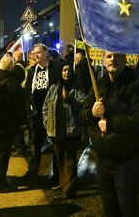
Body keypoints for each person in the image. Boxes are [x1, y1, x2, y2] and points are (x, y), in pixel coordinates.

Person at [83, 50, 139, 217]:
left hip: (126, 160)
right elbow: (83, 113)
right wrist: (91, 113)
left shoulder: (136, 86)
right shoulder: (99, 84)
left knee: (128, 209)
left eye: (117, 56)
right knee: (110, 209)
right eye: (109, 56)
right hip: (103, 159)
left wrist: (112, 124)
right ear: (103, 61)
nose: (113, 59)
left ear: (125, 59)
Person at [0, 54, 27, 192]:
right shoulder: (12, 83)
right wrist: (22, 122)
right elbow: (20, 105)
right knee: (3, 153)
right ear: (11, 68)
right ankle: (0, 183)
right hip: (6, 125)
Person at [43, 64, 86, 199]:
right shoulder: (54, 88)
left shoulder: (77, 88)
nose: (66, 72)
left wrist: (70, 100)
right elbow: (45, 107)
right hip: (56, 130)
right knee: (59, 160)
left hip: (71, 131)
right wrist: (46, 123)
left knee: (70, 160)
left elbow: (83, 105)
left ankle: (69, 189)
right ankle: (63, 184)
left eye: (69, 70)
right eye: (64, 70)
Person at [24, 43, 62, 180]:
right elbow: (28, 91)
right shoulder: (32, 71)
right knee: (35, 141)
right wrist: (29, 108)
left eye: (38, 52)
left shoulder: (55, 69)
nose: (35, 55)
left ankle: (56, 174)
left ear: (46, 53)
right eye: (34, 53)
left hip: (51, 112)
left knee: (54, 141)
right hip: (36, 113)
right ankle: (33, 169)